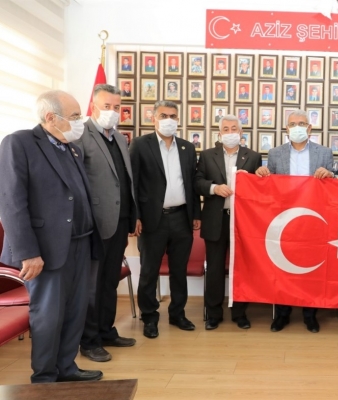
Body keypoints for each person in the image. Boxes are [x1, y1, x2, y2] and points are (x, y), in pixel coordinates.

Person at [0, 90, 103, 382]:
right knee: (49, 314)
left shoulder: (72, 148)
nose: (80, 121)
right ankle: (45, 377)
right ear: (50, 117)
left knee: (75, 311)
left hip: (81, 242)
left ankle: (67, 368)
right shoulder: (19, 143)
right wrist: (27, 252)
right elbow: (11, 202)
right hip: (45, 249)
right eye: (74, 116)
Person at [255, 110, 334, 333]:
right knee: (282, 268)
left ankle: (310, 314)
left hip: (312, 218)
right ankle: (282, 314)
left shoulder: (324, 153)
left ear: (309, 128)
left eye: (301, 123)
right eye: (292, 124)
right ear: (286, 128)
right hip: (284, 219)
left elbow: (334, 186)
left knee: (310, 267)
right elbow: (268, 186)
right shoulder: (275, 153)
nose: (297, 127)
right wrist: (261, 173)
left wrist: (329, 175)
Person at [76, 84, 138, 363]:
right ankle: (89, 341)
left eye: (117, 107)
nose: (112, 112)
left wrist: (133, 215)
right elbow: (77, 181)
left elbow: (125, 180)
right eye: (107, 106)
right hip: (95, 224)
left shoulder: (120, 139)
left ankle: (106, 331)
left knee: (110, 281)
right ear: (93, 107)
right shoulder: (81, 135)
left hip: (120, 221)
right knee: (93, 284)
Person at [129, 100, 201, 339]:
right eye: (163, 115)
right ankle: (149, 317)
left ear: (178, 119)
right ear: (154, 119)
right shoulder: (140, 144)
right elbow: (132, 183)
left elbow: (192, 184)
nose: (169, 120)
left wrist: (196, 214)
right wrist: (135, 216)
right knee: (149, 271)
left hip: (181, 217)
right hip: (153, 219)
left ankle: (178, 314)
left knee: (179, 270)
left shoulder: (187, 147)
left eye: (173, 116)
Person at [194, 115, 262, 330]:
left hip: (243, 222)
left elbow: (260, 189)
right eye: (226, 129)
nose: (230, 132)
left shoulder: (253, 156)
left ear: (241, 133)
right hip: (215, 220)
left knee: (241, 269)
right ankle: (213, 314)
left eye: (234, 129)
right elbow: (197, 182)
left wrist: (256, 178)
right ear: (219, 133)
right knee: (214, 269)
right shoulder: (207, 155)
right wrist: (214, 188)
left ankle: (240, 313)